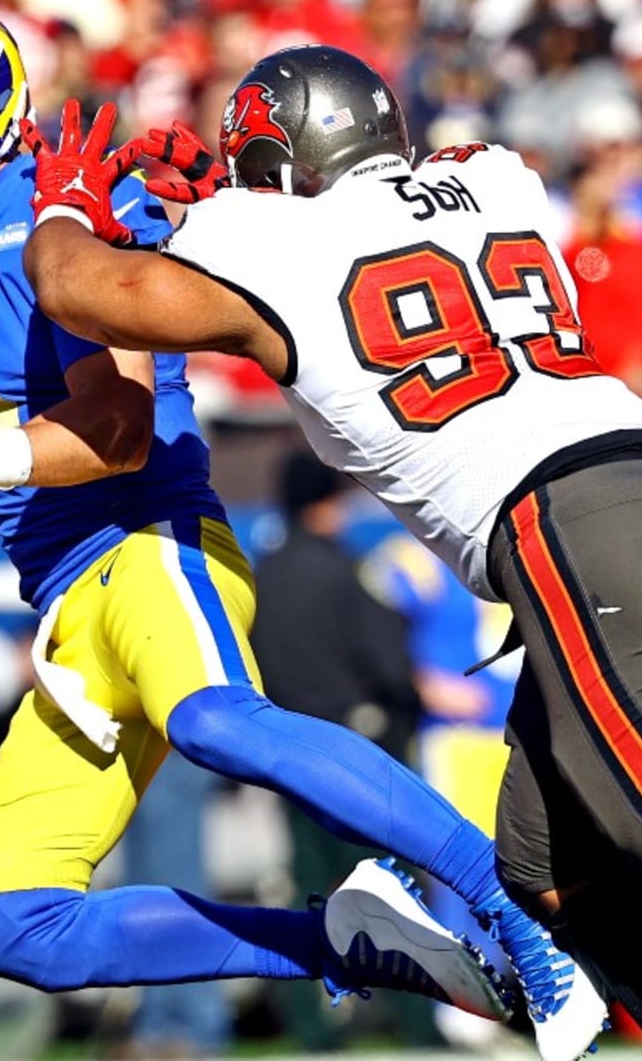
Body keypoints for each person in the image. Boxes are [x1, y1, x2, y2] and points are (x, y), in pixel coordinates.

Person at [0, 0, 602, 1060]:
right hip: (66, 600)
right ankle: (347, 943)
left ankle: (515, 903)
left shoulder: (59, 213)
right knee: (16, 926)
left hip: (150, 536)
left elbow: (113, 432)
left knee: (214, 719)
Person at [19, 43, 642, 1061]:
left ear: (279, 169)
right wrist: (232, 201)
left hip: (582, 531)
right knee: (549, 864)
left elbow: (82, 289)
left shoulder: (260, 234)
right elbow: (467, 178)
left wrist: (65, 203)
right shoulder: (497, 182)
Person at [250, 448, 425, 1052]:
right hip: (357, 752)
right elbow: (389, 664)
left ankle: (311, 1022)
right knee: (388, 886)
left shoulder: (262, 576)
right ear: (325, 502)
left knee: (308, 890)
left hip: (286, 751)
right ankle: (417, 1021)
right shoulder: (344, 572)